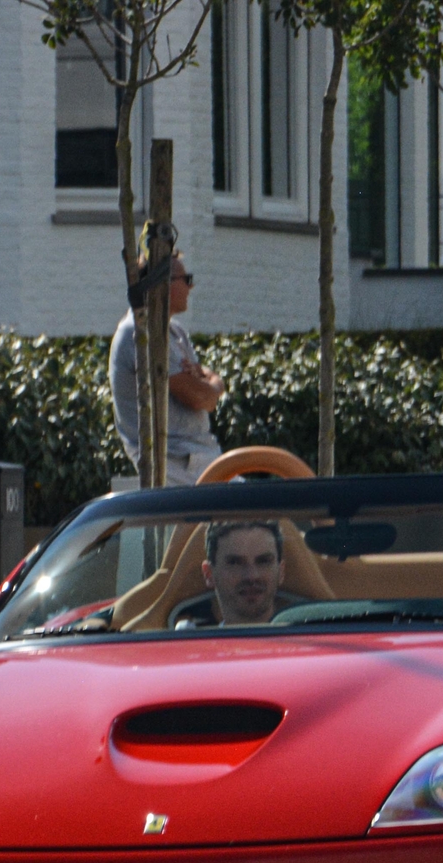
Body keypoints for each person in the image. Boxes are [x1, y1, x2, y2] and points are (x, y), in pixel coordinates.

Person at [110, 255, 226, 484]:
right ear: (165, 284)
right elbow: (201, 397)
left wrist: (212, 383)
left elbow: (206, 389)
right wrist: (214, 386)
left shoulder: (175, 332)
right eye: (187, 279)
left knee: (256, 513)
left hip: (197, 457)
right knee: (250, 513)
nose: (191, 286)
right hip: (173, 461)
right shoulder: (141, 333)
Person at [171, 520, 301, 627]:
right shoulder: (190, 647)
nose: (252, 576)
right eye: (235, 563)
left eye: (263, 561)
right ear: (209, 574)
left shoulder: (310, 648)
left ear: (281, 571)